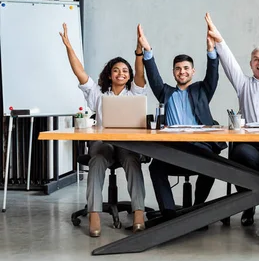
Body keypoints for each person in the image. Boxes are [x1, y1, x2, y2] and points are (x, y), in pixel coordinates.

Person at [205, 12, 259, 227]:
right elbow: (229, 64)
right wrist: (219, 40)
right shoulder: (243, 84)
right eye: (256, 59)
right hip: (251, 146)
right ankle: (249, 202)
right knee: (238, 154)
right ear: (251, 64)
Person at [59, 23, 148, 237]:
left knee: (132, 160)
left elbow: (139, 71)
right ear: (109, 75)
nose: (121, 73)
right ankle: (94, 212)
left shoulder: (135, 92)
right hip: (103, 142)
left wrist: (138, 51)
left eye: (124, 71)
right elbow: (79, 72)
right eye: (116, 70)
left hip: (127, 142)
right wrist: (69, 47)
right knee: (97, 159)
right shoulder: (97, 93)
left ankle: (138, 212)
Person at [138, 19, 227, 221]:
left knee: (212, 163)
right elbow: (153, 78)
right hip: (173, 148)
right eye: (178, 68)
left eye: (186, 68)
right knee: (155, 167)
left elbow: (213, 75)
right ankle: (169, 214)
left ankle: (197, 210)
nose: (182, 71)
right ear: (174, 72)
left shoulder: (202, 91)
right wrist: (148, 51)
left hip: (199, 146)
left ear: (192, 71)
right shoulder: (165, 92)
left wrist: (211, 51)